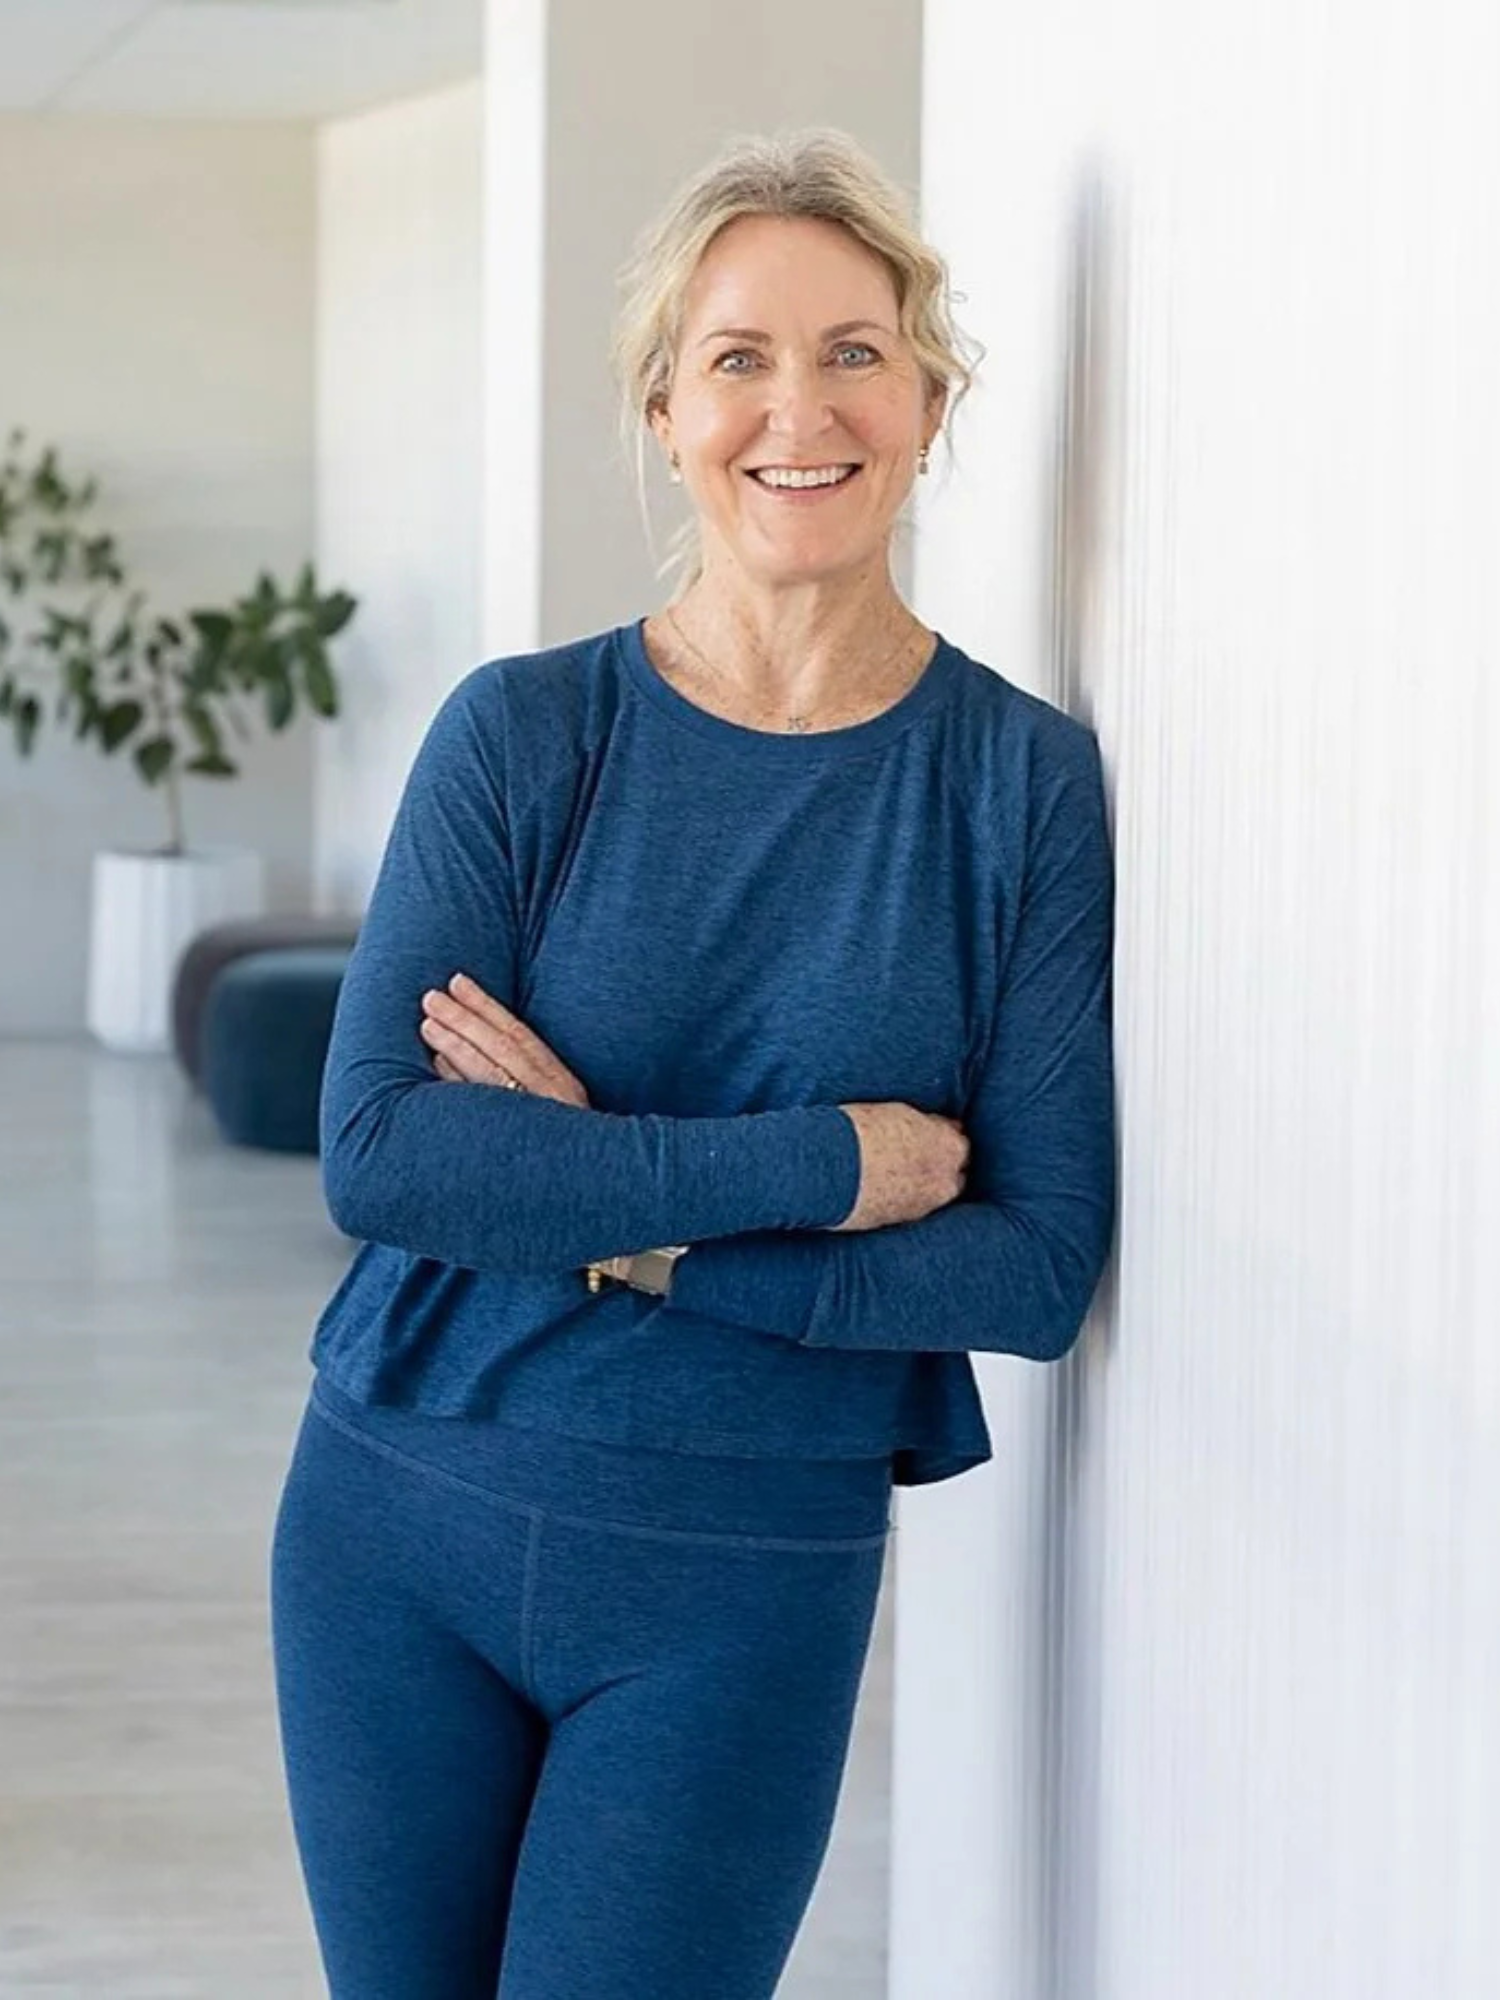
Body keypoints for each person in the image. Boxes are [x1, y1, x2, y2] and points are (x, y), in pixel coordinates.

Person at [270, 126, 1116, 2000]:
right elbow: (388, 1159)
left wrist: (607, 1206)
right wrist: (814, 1160)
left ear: (930, 396)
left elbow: (1033, 1269)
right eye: (736, 355)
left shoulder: (1016, 786)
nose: (795, 408)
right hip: (395, 1514)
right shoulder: (523, 736)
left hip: (738, 1581)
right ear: (664, 408)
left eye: (854, 350)